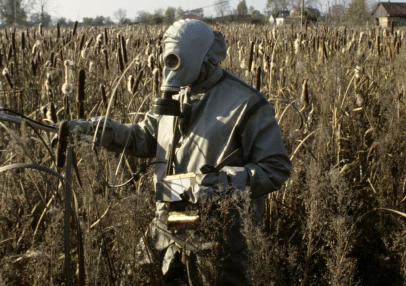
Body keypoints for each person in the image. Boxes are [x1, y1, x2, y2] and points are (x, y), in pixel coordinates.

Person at [69, 19, 291, 284]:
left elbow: (275, 168)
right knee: (138, 277)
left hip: (217, 235)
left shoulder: (246, 103)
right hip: (167, 219)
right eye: (168, 59)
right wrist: (99, 130)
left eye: (177, 59)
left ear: (201, 56)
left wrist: (223, 184)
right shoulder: (176, 95)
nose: (171, 67)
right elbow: (147, 136)